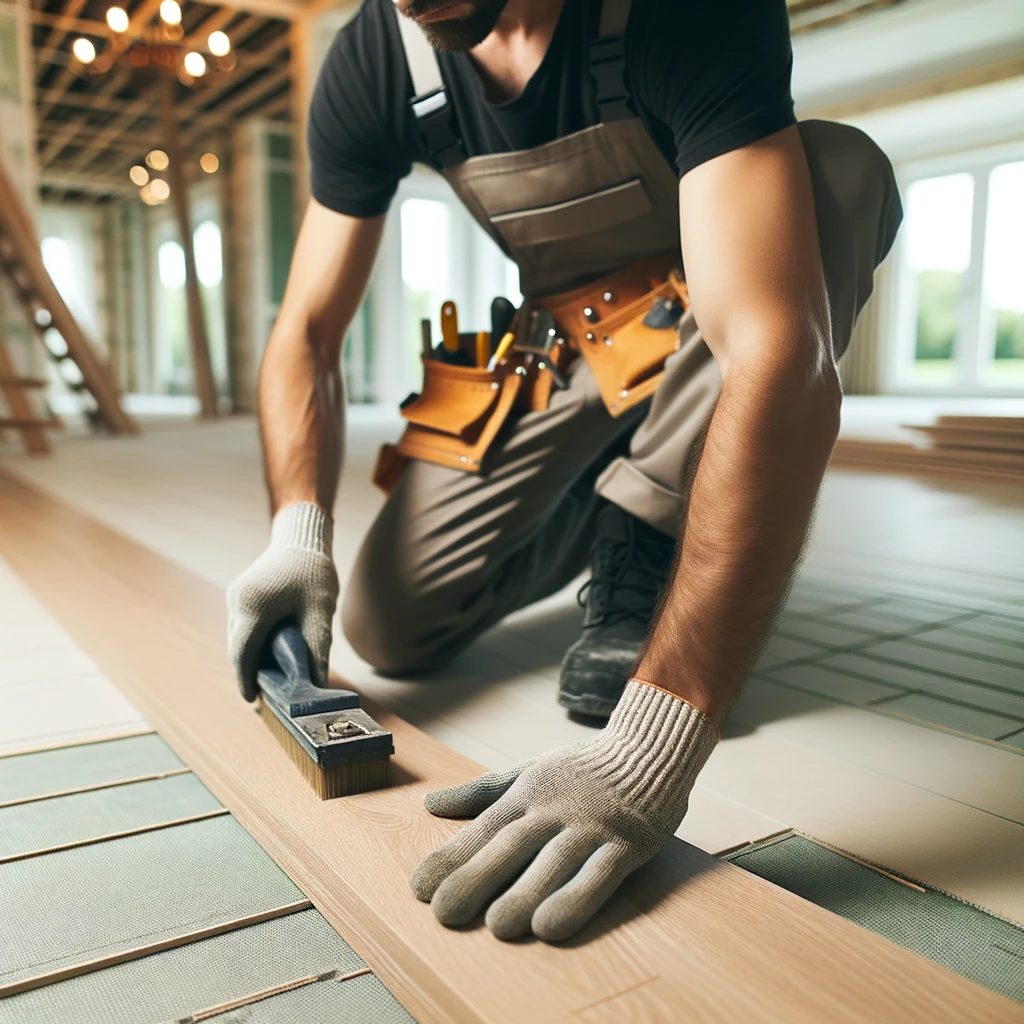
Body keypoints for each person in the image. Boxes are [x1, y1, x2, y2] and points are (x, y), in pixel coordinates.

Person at [227, 0, 903, 942]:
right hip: (575, 346)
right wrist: (295, 535)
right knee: (390, 620)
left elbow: (774, 356)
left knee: (837, 170)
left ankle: (649, 527)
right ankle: (643, 476)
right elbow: (304, 331)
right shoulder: (378, 59)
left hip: (719, 309)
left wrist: (650, 744)